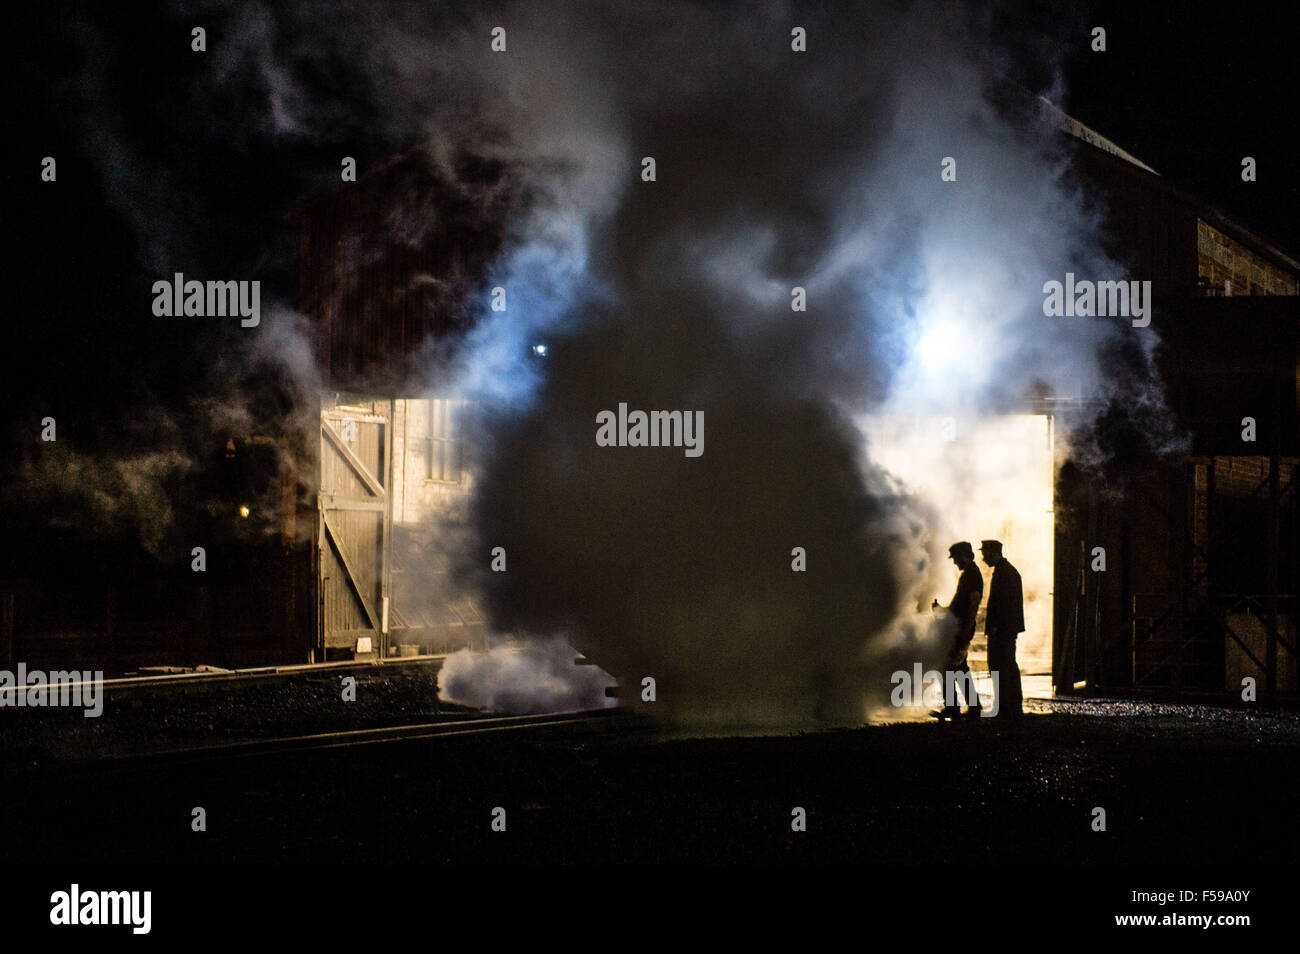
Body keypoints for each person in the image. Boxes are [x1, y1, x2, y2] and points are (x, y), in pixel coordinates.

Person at [933, 542, 983, 720]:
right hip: (960, 629)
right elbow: (960, 606)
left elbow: (971, 606)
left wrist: (964, 634)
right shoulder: (969, 575)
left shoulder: (972, 576)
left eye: (955, 558)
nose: (955, 562)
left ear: (963, 555)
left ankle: (954, 707)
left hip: (961, 630)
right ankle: (973, 706)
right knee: (959, 668)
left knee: (947, 667)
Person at [980, 539, 1024, 720]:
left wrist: (996, 627)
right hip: (1006, 630)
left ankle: (1006, 708)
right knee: (1006, 667)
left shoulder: (1004, 573)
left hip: (1002, 631)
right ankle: (1010, 706)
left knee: (1001, 667)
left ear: (993, 553)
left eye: (985, 554)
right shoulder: (1007, 571)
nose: (983, 558)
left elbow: (1004, 605)